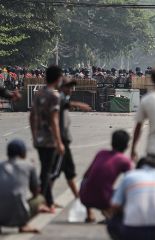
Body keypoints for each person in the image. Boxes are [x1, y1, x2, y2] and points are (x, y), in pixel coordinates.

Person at [51, 77, 93, 219]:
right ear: (62, 87)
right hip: (61, 141)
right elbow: (65, 104)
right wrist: (80, 105)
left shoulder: (62, 97)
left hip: (64, 141)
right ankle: (47, 201)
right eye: (68, 87)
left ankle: (79, 199)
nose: (70, 90)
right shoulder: (59, 98)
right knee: (53, 173)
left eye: (72, 87)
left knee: (69, 173)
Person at [30, 65, 64, 211]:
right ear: (58, 78)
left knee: (46, 169)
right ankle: (40, 202)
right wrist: (59, 141)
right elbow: (54, 120)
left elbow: (32, 116)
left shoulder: (39, 94)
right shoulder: (54, 96)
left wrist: (34, 135)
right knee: (46, 171)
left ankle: (49, 201)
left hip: (39, 138)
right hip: (49, 139)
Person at [80, 130, 132, 220]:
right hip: (104, 200)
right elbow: (132, 181)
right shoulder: (124, 160)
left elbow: (85, 175)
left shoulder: (101, 153)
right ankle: (111, 213)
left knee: (88, 181)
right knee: (128, 189)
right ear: (127, 146)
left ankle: (89, 214)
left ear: (111, 143)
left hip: (85, 197)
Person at [0, 140, 45, 234]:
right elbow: (36, 191)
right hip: (19, 216)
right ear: (22, 153)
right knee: (40, 199)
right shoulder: (29, 165)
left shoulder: (1, 165)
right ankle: (23, 225)